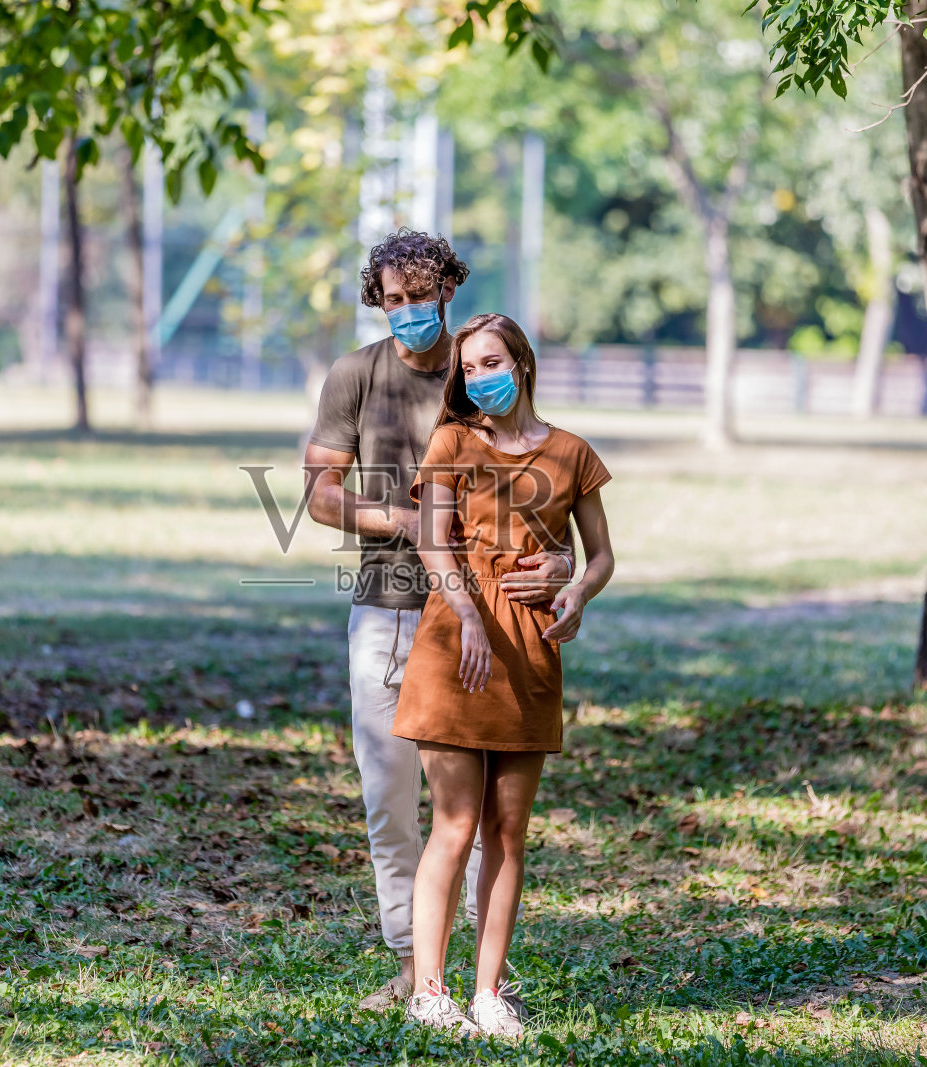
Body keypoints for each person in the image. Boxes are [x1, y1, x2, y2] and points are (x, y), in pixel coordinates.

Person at [304, 231, 575, 1012]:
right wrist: (402, 519)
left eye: (421, 298)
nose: (408, 313)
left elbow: (541, 481)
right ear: (377, 300)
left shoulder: (479, 365)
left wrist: (560, 567)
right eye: (393, 300)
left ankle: (484, 980)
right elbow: (320, 495)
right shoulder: (357, 375)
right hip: (389, 610)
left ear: (446, 292)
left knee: (487, 815)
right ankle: (411, 964)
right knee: (390, 799)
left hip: (490, 622)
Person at [393, 313, 616, 1038]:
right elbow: (434, 539)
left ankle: (489, 991)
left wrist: (575, 589)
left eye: (492, 361)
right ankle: (430, 990)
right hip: (457, 641)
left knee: (508, 828)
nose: (479, 376)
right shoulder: (455, 440)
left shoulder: (572, 453)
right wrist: (465, 613)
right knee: (454, 824)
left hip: (532, 647)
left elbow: (601, 555)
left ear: (521, 361)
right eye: (468, 368)